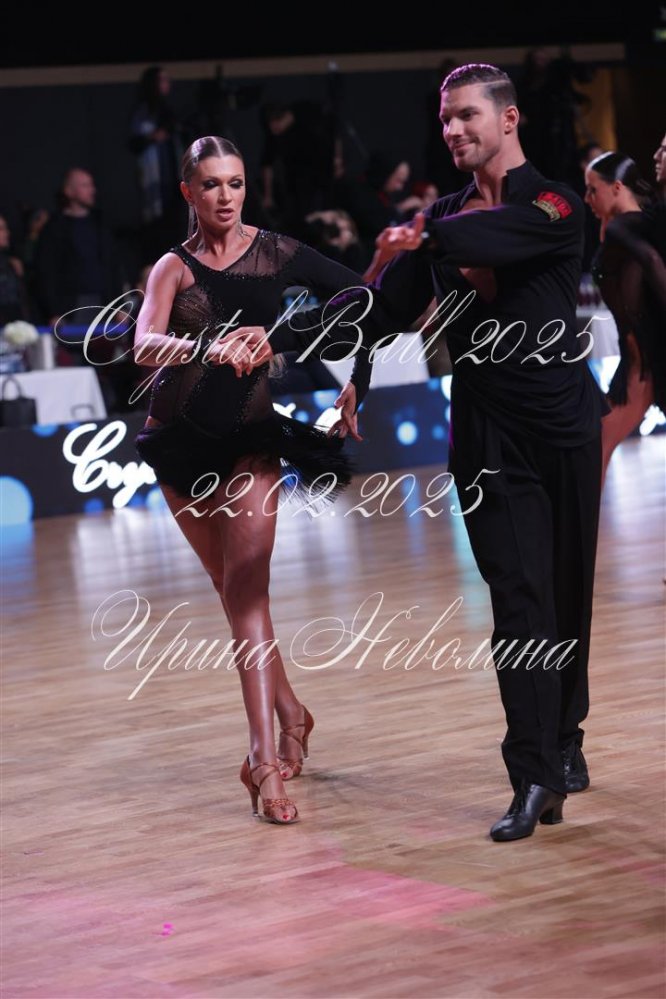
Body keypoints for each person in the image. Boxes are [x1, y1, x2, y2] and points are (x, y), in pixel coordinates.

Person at [244, 63, 609, 841]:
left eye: (467, 114)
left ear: (508, 119)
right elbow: (384, 312)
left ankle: (564, 736)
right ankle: (534, 772)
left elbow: (503, 236)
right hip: (487, 435)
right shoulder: (439, 218)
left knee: (566, 594)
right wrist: (331, 350)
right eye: (445, 119)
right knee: (519, 601)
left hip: (565, 427)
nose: (453, 129)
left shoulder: (555, 203)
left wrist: (423, 236)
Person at [132, 136, 372, 825]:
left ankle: (262, 761)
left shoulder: (277, 252)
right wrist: (207, 346)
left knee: (248, 593)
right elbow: (143, 342)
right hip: (179, 446)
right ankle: (291, 713)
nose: (226, 196)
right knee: (234, 594)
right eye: (211, 184)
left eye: (235, 182)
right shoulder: (173, 267)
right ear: (189, 192)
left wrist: (331, 362)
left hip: (252, 445)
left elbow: (361, 296)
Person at [584, 152, 666, 481]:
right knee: (594, 450)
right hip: (638, 362)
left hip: (643, 365)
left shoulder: (623, 227)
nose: (587, 198)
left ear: (617, 188)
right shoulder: (630, 224)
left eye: (593, 190)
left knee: (594, 452)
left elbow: (652, 263)